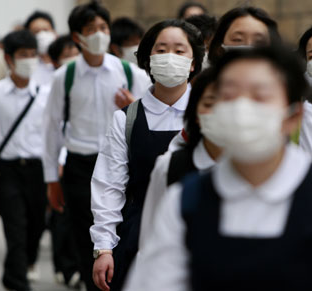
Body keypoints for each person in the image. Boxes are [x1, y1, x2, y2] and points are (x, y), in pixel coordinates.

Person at [125, 46, 312, 291]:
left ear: (292, 117)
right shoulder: (184, 203)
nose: (242, 109)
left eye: (259, 96)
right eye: (228, 96)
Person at [90, 19, 204, 291]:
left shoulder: (205, 115)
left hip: (199, 229)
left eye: (179, 51)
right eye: (161, 50)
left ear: (193, 62)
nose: (169, 57)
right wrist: (103, 248)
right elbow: (109, 185)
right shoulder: (126, 119)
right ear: (147, 59)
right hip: (140, 233)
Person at [42, 3, 150, 290]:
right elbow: (52, 128)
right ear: (77, 37)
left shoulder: (130, 73)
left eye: (103, 28)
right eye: (91, 30)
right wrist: (52, 178)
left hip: (121, 163)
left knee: (122, 231)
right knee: (83, 235)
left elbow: (149, 119)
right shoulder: (63, 77)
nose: (99, 35)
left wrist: (131, 107)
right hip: (80, 165)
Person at [0, 29, 49, 291]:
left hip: (39, 170)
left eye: (33, 55)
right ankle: (18, 283)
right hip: (8, 171)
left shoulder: (45, 93)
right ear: (8, 59)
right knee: (15, 228)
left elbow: (56, 134)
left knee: (37, 226)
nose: (29, 60)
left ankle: (17, 269)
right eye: (22, 55)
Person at [138, 68, 220, 252]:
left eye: (229, 102)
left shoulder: (265, 172)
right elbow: (151, 242)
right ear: (195, 114)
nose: (219, 112)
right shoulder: (170, 168)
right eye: (209, 103)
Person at [46, 34, 81, 289]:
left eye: (75, 52)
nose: (72, 59)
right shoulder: (56, 85)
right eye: (66, 54)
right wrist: (55, 164)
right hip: (64, 158)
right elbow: (52, 129)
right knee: (63, 219)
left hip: (83, 158)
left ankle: (78, 267)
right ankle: (65, 266)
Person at [207, 6, 280, 65]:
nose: (248, 45)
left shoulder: (285, 81)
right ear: (218, 48)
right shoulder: (206, 82)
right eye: (238, 40)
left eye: (259, 41)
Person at [24, 11, 57, 86]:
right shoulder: (26, 66)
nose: (42, 35)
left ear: (54, 32)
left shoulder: (63, 60)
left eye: (45, 30)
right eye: (36, 32)